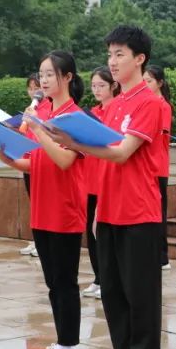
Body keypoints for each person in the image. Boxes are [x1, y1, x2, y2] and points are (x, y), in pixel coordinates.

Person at [46, 25, 163, 349]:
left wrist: (74, 142)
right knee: (112, 292)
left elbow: (122, 153)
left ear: (139, 59)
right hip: (110, 210)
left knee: (140, 293)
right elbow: (103, 163)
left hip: (139, 211)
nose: (112, 62)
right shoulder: (114, 107)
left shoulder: (150, 103)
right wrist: (97, 211)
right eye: (110, 54)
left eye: (120, 54)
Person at [0, 51, 87, 349]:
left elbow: (64, 160)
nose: (43, 81)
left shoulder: (75, 118)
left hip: (65, 208)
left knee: (65, 281)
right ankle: (63, 343)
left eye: (50, 74)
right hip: (42, 206)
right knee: (51, 282)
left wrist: (38, 128)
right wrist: (4, 156)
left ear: (67, 77)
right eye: (41, 74)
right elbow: (35, 162)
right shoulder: (41, 112)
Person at [82, 67, 118, 299]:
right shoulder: (93, 112)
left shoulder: (116, 110)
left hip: (106, 178)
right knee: (90, 231)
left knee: (103, 232)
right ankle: (98, 277)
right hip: (89, 178)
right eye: (93, 86)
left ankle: (108, 278)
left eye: (101, 85)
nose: (96, 90)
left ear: (113, 86)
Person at [143, 64, 173, 271]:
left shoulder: (163, 106)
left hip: (158, 166)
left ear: (160, 83)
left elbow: (160, 137)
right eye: (143, 81)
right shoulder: (149, 103)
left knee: (159, 211)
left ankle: (163, 256)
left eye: (149, 81)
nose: (145, 85)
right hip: (149, 166)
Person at [19, 73, 41, 258]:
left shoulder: (45, 110)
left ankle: (40, 242)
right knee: (33, 203)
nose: (33, 92)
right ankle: (35, 239)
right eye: (30, 88)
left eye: (37, 88)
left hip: (40, 163)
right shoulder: (30, 110)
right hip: (27, 161)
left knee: (42, 204)